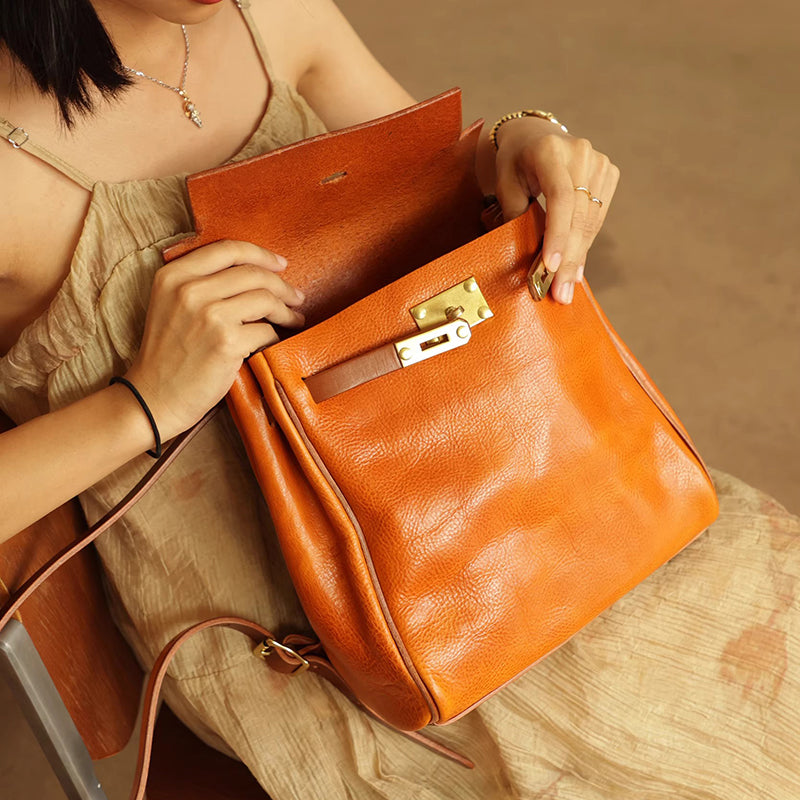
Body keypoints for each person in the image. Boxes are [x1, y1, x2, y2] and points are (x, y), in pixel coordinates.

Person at [0, 1, 797, 798]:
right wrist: (144, 402)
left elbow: (435, 187)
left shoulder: (267, 13)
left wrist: (515, 146)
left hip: (501, 481)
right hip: (322, 631)